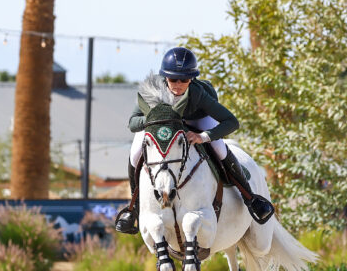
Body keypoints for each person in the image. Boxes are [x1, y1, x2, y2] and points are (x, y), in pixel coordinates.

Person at [114, 46, 275, 234]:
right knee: (135, 153)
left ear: (192, 79)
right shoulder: (151, 90)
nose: (179, 84)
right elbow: (133, 123)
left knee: (220, 148)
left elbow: (232, 122)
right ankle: (133, 208)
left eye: (185, 79)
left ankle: (251, 198)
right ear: (165, 77)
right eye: (173, 79)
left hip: (195, 119)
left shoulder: (197, 93)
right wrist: (152, 120)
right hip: (160, 124)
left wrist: (204, 136)